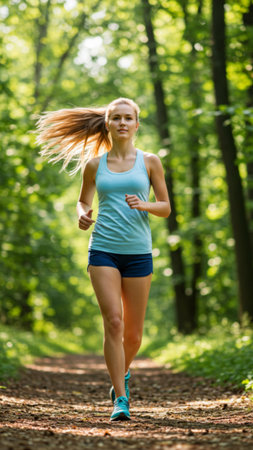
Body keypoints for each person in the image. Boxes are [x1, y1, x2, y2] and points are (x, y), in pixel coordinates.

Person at [36, 97, 171, 421]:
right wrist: (83, 215)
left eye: (128, 118)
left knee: (134, 335)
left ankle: (120, 374)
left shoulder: (150, 162)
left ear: (137, 125)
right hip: (103, 251)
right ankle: (120, 400)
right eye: (117, 118)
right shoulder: (95, 164)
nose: (123, 123)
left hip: (138, 253)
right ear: (107, 124)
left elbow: (165, 207)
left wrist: (145, 205)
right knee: (114, 321)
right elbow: (82, 201)